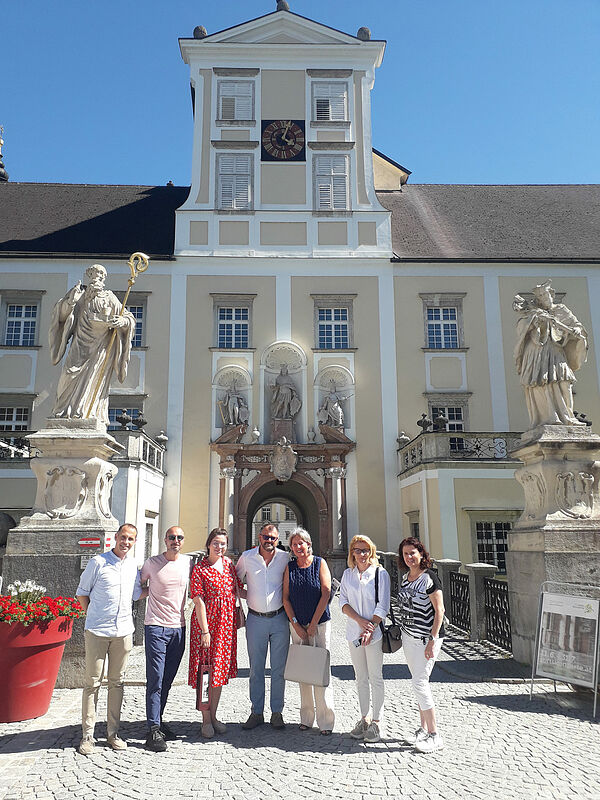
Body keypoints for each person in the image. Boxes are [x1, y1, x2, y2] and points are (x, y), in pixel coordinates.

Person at [75, 523, 142, 755]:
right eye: (123, 537)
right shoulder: (98, 562)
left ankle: (113, 733)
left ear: (134, 542)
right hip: (97, 631)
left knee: (117, 683)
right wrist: (92, 616)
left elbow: (137, 594)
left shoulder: (134, 566)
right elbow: (82, 592)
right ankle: (87, 736)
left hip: (123, 631)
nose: (126, 542)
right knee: (92, 683)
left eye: (131, 539)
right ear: (116, 538)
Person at [49, 263, 136, 423]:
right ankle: (62, 412)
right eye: (94, 274)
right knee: (68, 375)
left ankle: (87, 413)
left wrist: (122, 321)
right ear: (89, 276)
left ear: (103, 278)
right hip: (78, 345)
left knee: (93, 379)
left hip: (100, 349)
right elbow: (60, 317)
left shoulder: (109, 297)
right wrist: (70, 303)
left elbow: (128, 318)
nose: (96, 277)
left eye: (100, 274)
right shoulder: (79, 293)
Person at [138, 526, 193, 752]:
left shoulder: (188, 562)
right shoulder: (151, 563)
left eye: (180, 537)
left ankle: (158, 722)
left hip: (178, 628)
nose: (176, 541)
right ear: (165, 540)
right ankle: (152, 730)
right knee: (156, 679)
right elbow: (139, 587)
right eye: (172, 537)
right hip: (155, 628)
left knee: (168, 679)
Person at [188, 527, 243, 738]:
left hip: (226, 626)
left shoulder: (229, 565)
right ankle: (205, 719)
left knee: (218, 672)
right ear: (208, 544)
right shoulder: (200, 568)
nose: (219, 547)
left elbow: (240, 589)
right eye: (216, 543)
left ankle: (214, 715)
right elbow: (198, 600)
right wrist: (205, 631)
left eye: (223, 543)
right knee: (205, 671)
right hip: (207, 626)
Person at [236, 522, 290, 729]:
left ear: (278, 540)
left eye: (273, 538)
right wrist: (247, 596)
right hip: (256, 619)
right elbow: (234, 582)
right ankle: (256, 711)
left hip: (279, 619)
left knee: (279, 669)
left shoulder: (284, 558)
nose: (269, 541)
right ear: (259, 537)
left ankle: (277, 712)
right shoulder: (247, 558)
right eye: (266, 537)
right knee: (256, 668)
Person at [513, 280, 588, 427]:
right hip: (537, 351)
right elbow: (521, 329)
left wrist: (577, 330)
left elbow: (576, 325)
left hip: (556, 350)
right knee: (542, 382)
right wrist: (535, 322)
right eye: (541, 297)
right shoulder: (533, 312)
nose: (544, 299)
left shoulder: (561, 310)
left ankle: (569, 417)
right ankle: (549, 418)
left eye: (546, 295)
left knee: (564, 381)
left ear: (551, 295)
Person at [282, 527, 335, 734]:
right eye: (294, 544)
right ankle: (306, 717)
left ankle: (326, 720)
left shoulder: (320, 563)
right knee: (303, 671)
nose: (297, 547)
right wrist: (295, 624)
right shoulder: (290, 567)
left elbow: (326, 592)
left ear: (308, 544)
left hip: (320, 624)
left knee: (321, 670)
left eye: (300, 543)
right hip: (297, 626)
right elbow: (285, 597)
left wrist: (312, 624)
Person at [339, 534, 390, 744]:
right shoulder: (348, 575)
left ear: (372, 552)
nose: (362, 554)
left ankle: (377, 721)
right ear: (352, 553)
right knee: (360, 678)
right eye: (358, 550)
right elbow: (343, 602)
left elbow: (383, 604)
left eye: (365, 550)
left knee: (375, 677)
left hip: (374, 634)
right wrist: (360, 622)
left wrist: (371, 627)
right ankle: (364, 718)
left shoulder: (380, 573)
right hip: (354, 633)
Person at [397, 536, 445, 753]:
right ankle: (423, 730)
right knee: (417, 682)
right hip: (409, 638)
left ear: (422, 554)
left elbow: (439, 610)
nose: (409, 557)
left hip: (427, 639)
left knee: (420, 682)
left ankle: (435, 734)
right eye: (405, 554)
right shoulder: (406, 578)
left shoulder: (429, 578)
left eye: (412, 553)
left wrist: (432, 639)